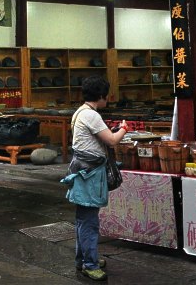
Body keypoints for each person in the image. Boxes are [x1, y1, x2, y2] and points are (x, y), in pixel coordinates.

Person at [67, 76, 129, 281]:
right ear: (101, 96)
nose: (108, 99)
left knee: (83, 220)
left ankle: (83, 259)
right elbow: (111, 141)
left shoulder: (81, 112)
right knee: (89, 221)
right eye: (106, 95)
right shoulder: (91, 115)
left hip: (83, 172)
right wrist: (124, 129)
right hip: (89, 174)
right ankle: (89, 264)